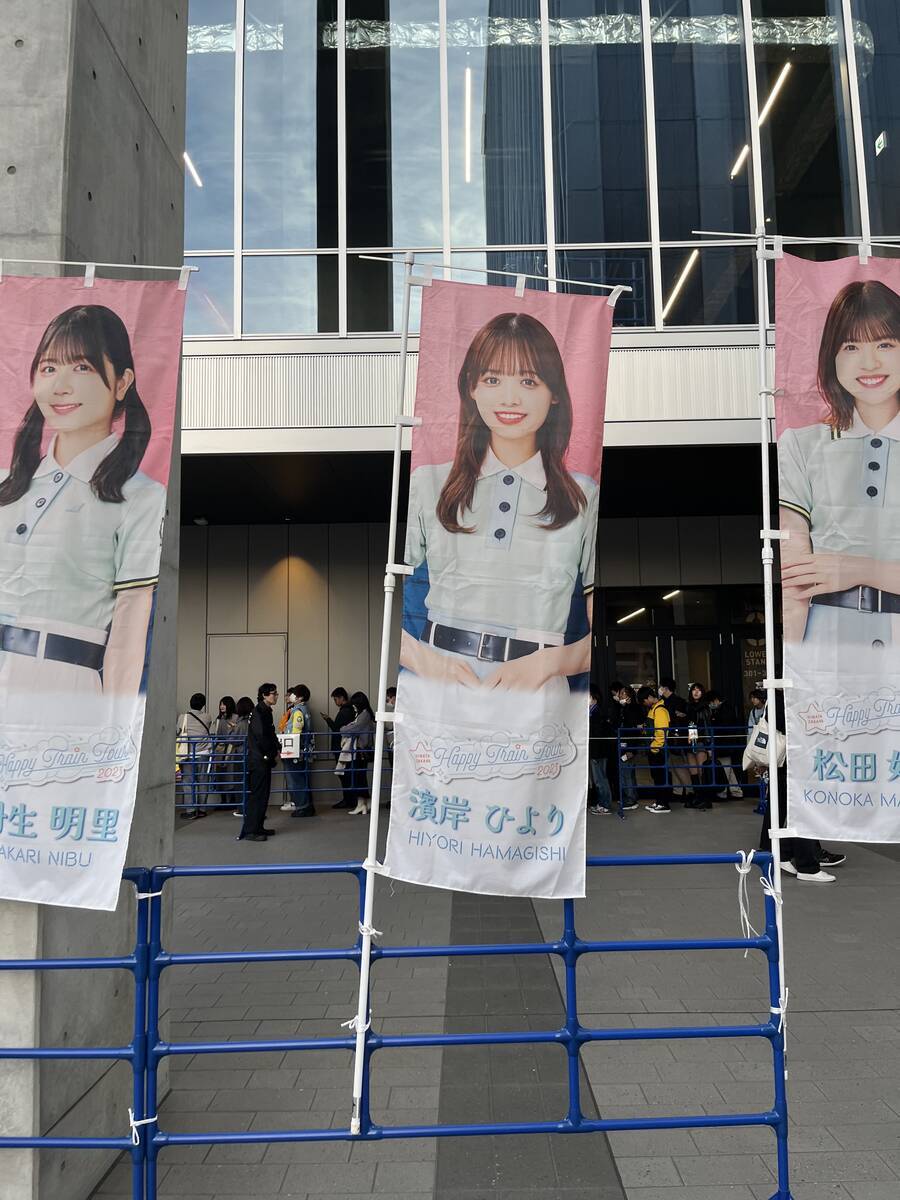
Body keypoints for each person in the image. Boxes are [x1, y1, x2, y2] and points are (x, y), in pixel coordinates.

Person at [400, 311, 598, 693]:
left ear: (555, 392)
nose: (510, 398)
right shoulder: (428, 483)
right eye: (493, 379)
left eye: (528, 380)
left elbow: (596, 626)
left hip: (537, 694)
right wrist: (428, 662)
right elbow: (392, 600)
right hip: (440, 690)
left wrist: (549, 663)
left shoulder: (583, 495)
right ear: (471, 387)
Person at [0, 304, 165, 698]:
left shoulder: (140, 496)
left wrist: (115, 721)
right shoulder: (6, 485)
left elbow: (130, 623)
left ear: (122, 382)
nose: (61, 385)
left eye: (82, 367)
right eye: (49, 367)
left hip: (65, 685)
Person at [779, 280, 900, 661]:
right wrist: (796, 670)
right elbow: (795, 581)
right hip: (830, 647)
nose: (869, 363)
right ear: (831, 356)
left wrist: (859, 569)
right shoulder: (800, 445)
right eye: (851, 347)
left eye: (885, 344)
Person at [240, 683, 280, 843]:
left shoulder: (265, 711)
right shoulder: (258, 712)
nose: (276, 696)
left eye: (276, 693)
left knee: (263, 795)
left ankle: (258, 827)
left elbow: (270, 733)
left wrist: (277, 748)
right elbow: (261, 736)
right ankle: (251, 830)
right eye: (273, 693)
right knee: (257, 796)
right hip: (258, 760)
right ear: (264, 695)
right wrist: (272, 753)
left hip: (263, 759)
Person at [339, 691, 376, 816]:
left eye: (354, 704)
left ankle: (361, 804)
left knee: (357, 777)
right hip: (363, 750)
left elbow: (354, 729)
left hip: (360, 750)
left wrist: (342, 729)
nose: (353, 706)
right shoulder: (366, 714)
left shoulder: (363, 715)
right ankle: (365, 803)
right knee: (360, 777)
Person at [639, 685, 672, 814]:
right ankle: (659, 801)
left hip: (659, 750)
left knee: (660, 776)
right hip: (655, 748)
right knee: (656, 776)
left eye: (644, 701)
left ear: (649, 698)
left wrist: (654, 748)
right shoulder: (654, 709)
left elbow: (661, 732)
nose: (644, 704)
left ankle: (664, 804)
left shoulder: (659, 710)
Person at [178, 692, 211, 821]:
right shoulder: (207, 717)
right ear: (203, 705)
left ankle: (191, 811)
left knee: (188, 782)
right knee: (203, 781)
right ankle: (202, 810)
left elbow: (178, 731)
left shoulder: (183, 717)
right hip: (204, 753)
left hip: (188, 753)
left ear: (190, 703)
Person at [322, 686, 357, 808]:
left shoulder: (345, 711)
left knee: (344, 774)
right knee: (346, 774)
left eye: (336, 699)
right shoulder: (349, 710)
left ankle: (348, 800)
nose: (335, 702)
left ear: (342, 698)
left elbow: (337, 729)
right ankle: (350, 800)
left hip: (342, 747)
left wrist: (328, 720)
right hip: (345, 747)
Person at [285, 684, 315, 818]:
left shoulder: (297, 711)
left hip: (296, 750)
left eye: (294, 694)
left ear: (300, 697)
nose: (291, 696)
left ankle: (303, 807)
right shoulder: (305, 709)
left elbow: (296, 731)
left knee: (296, 779)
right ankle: (308, 806)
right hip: (304, 750)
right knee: (302, 778)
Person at [706, 690, 744, 798]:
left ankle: (722, 791)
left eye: (710, 702)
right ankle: (736, 790)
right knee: (728, 767)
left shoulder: (723, 710)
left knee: (724, 767)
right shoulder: (726, 708)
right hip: (727, 743)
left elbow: (722, 727)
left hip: (724, 743)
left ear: (715, 700)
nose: (710, 705)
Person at [658, 677, 692, 798]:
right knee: (674, 765)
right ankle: (678, 791)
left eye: (661, 687)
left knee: (678, 764)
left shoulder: (670, 702)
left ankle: (688, 791)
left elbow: (677, 719)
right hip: (674, 738)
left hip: (675, 739)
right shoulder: (677, 701)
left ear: (665, 688)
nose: (659, 689)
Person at [611, 684, 641, 810]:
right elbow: (615, 721)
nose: (620, 695)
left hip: (629, 745)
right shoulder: (621, 708)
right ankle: (630, 796)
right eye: (620, 693)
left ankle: (631, 799)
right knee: (625, 772)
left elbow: (635, 730)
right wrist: (619, 705)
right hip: (622, 744)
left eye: (623, 693)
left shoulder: (633, 709)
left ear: (629, 695)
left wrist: (632, 749)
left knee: (627, 772)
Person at [588, 683, 616, 814]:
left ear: (594, 697)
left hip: (598, 751)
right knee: (598, 779)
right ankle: (602, 803)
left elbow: (597, 733)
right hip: (596, 750)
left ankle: (605, 805)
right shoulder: (592, 712)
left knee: (600, 779)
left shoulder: (597, 713)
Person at [684, 682, 712, 810]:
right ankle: (697, 797)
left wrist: (708, 745)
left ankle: (705, 799)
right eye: (693, 690)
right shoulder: (688, 706)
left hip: (701, 740)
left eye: (698, 690)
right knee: (693, 770)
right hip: (690, 740)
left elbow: (706, 726)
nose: (696, 692)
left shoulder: (705, 707)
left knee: (702, 770)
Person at [210, 695, 237, 807]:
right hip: (220, 751)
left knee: (231, 775)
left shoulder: (235, 717)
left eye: (224, 704)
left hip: (232, 751)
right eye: (220, 704)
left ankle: (232, 800)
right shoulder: (219, 718)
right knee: (221, 775)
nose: (221, 706)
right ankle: (223, 800)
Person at [231, 696, 254, 819]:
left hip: (241, 755)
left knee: (240, 782)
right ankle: (251, 808)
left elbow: (234, 740)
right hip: (252, 755)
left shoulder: (240, 723)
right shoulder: (253, 721)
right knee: (250, 783)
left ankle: (242, 809)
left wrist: (231, 730)